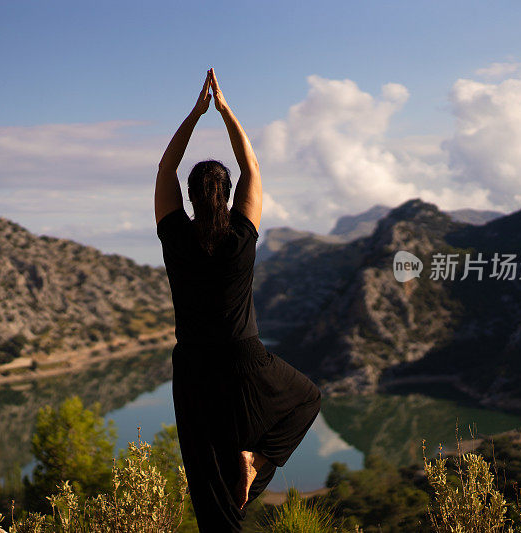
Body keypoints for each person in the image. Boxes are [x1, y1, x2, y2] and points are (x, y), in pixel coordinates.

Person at [154, 68, 322, 532]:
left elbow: (165, 169)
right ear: (227, 198)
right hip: (244, 360)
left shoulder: (175, 236)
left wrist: (195, 115)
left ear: (188, 197)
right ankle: (257, 462)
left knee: (209, 485)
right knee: (306, 398)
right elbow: (253, 169)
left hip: (193, 366)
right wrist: (226, 112)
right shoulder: (240, 237)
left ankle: (239, 483)